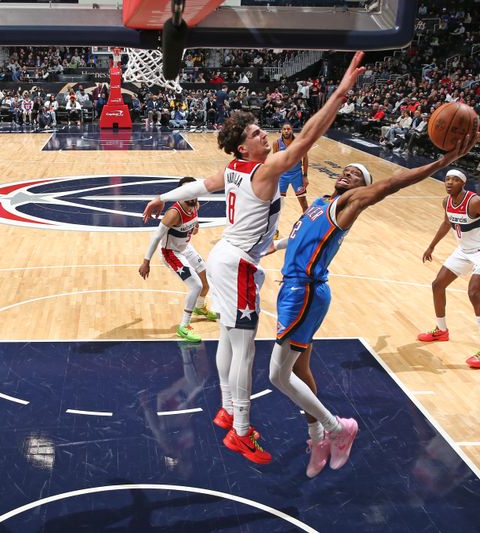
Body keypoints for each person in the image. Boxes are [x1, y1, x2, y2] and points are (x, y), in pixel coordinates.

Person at [143, 51, 367, 465]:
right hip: (239, 262)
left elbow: (196, 187)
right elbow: (307, 139)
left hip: (226, 257)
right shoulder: (262, 170)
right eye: (258, 133)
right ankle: (242, 432)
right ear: (244, 145)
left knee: (229, 338)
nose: (265, 136)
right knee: (245, 350)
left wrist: (161, 197)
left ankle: (228, 408)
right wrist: (339, 93)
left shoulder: (232, 169)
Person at [272, 139, 475, 478]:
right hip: (293, 289)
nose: (348, 173)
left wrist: (444, 161)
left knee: (278, 375)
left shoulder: (349, 203)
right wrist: (272, 245)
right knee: (301, 372)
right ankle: (317, 437)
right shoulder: (321, 203)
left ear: (365, 190)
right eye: (347, 170)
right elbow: (300, 237)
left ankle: (336, 428)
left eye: (357, 175)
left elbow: (394, 183)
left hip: (304, 293)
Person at [417, 168, 480, 368]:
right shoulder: (446, 201)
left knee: (474, 293)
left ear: (463, 183)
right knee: (437, 285)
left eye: (455, 180)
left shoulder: (476, 202)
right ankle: (441, 330)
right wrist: (432, 245)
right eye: (447, 179)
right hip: (464, 250)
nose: (449, 182)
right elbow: (446, 223)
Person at [138, 177, 217, 342]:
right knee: (196, 285)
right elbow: (156, 237)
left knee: (206, 279)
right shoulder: (173, 213)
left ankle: (199, 308)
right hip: (171, 252)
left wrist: (195, 226)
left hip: (186, 247)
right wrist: (146, 261)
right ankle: (183, 326)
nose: (190, 194)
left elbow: (193, 223)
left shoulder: (196, 205)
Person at [272, 122, 310, 214]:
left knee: (303, 201)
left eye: (288, 129)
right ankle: (274, 227)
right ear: (281, 131)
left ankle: (307, 223)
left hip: (296, 175)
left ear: (292, 131)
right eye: (284, 129)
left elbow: (305, 159)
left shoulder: (300, 142)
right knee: (277, 203)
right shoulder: (276, 143)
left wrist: (305, 176)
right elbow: (275, 159)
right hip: (282, 175)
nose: (286, 131)